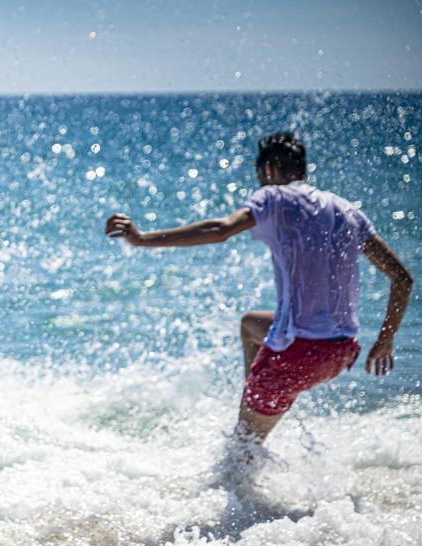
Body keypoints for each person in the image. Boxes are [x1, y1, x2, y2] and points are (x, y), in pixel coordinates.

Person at [105, 131, 413, 449]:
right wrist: (385, 340)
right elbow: (403, 279)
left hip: (296, 356)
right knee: (250, 324)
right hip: (341, 352)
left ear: (267, 171)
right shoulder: (347, 211)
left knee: (241, 453)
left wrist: (142, 239)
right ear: (303, 170)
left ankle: (258, 410)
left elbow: (220, 229)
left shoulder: (273, 197)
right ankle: (257, 400)